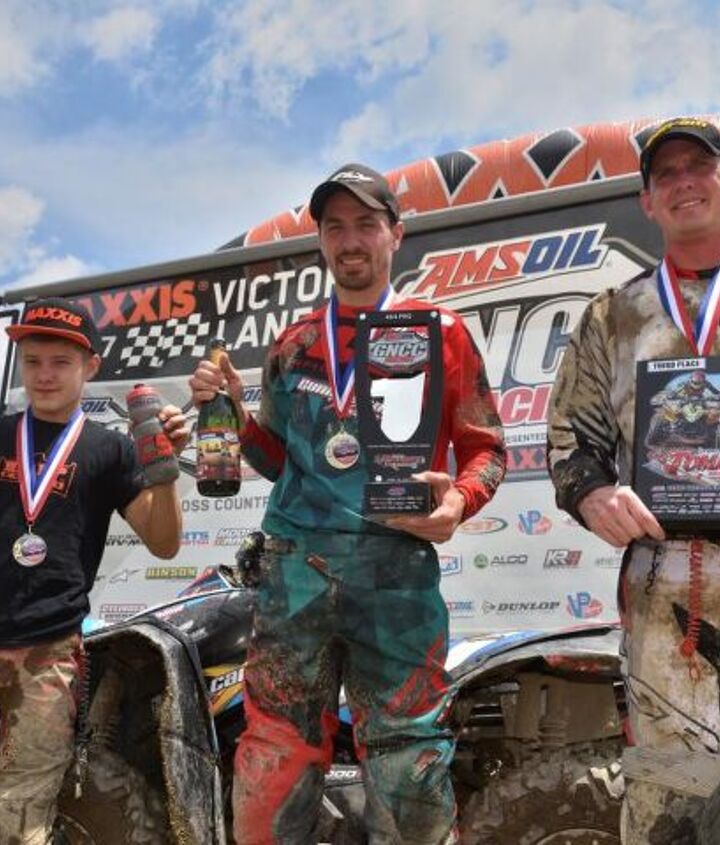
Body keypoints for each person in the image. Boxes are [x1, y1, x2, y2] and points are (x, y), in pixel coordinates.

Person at [189, 163, 506, 844]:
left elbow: (488, 450)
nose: (350, 239)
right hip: (294, 575)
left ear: (397, 233)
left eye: (366, 223)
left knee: (408, 759)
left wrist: (458, 503)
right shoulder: (294, 344)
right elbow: (280, 461)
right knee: (272, 755)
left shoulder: (441, 331)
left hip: (396, 575)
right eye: (335, 227)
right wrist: (235, 418)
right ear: (322, 242)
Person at [547, 117, 720, 843]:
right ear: (647, 201)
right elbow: (570, 439)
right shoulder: (612, 316)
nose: (684, 183)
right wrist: (592, 493)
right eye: (665, 174)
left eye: (699, 166)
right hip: (664, 596)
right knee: (672, 799)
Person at [0, 297, 188, 844]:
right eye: (33, 361)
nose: (44, 375)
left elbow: (164, 544)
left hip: (46, 653)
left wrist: (164, 473)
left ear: (91, 366)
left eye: (60, 362)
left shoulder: (110, 449)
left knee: (19, 813)